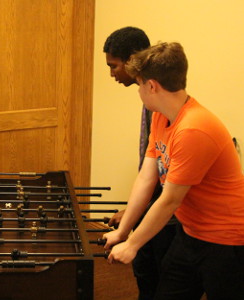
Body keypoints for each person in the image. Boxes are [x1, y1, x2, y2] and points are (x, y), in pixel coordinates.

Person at [104, 42, 244, 300]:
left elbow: (169, 199)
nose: (139, 92)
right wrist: (123, 231)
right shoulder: (160, 115)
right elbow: (147, 176)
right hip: (190, 233)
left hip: (227, 240)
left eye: (139, 85)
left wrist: (133, 246)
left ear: (152, 86)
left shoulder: (193, 128)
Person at [103, 27, 177, 300]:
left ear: (133, 59)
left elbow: (165, 175)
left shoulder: (161, 102)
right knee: (146, 270)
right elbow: (148, 170)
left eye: (114, 66)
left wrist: (137, 217)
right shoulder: (149, 100)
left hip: (170, 216)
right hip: (153, 205)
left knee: (158, 275)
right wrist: (132, 213)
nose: (112, 74)